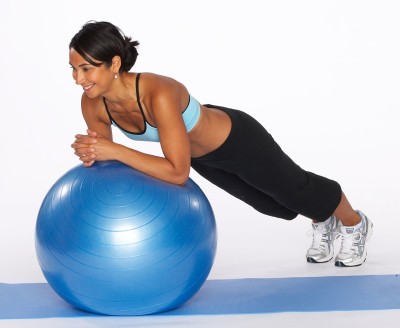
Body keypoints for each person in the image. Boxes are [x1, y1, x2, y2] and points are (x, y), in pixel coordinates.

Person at [69, 21, 373, 267]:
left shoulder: (157, 92)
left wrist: (112, 150)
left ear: (114, 64)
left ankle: (354, 223)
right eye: (73, 68)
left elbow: (177, 173)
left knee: (295, 190)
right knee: (275, 206)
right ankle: (322, 218)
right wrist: (91, 154)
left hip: (237, 141)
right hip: (204, 159)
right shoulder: (94, 104)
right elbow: (109, 164)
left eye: (86, 68)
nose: (77, 77)